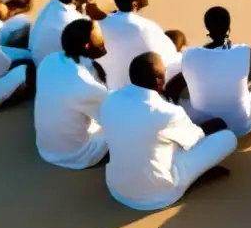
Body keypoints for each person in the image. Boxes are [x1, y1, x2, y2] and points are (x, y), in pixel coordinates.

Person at [100, 52, 238, 211]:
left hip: (117, 189)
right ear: (159, 80)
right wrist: (210, 126)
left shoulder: (110, 99)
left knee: (159, 143)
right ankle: (191, 180)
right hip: (158, 194)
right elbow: (195, 139)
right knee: (227, 138)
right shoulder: (167, 112)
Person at [179, 6, 251, 137]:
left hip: (201, 123)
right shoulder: (245, 51)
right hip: (241, 126)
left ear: (207, 28)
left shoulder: (189, 54)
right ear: (228, 27)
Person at [34, 18, 110, 169]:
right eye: (99, 37)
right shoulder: (84, 85)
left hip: (45, 148)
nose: (103, 40)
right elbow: (112, 116)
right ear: (86, 45)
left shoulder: (49, 60)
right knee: (127, 125)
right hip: (75, 155)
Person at [99, 0, 184, 91]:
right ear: (135, 4)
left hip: (110, 89)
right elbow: (169, 59)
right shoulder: (146, 27)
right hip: (141, 91)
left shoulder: (100, 25)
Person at [30, 0, 105, 63]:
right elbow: (96, 44)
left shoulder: (55, 3)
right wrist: (100, 16)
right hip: (53, 67)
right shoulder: (73, 21)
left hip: (39, 58)